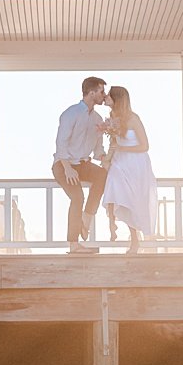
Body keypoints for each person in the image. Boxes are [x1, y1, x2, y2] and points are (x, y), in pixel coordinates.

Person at [52, 76, 109, 254]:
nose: (104, 95)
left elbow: (98, 151)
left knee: (102, 175)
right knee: (77, 197)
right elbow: (61, 143)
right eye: (101, 91)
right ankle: (73, 244)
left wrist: (110, 156)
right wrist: (68, 167)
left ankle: (86, 219)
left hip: (83, 164)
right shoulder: (71, 113)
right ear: (91, 93)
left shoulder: (98, 119)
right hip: (63, 164)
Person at [97, 86, 158, 254]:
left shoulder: (133, 119)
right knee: (113, 187)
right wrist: (107, 159)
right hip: (119, 162)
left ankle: (135, 240)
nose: (106, 97)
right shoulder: (111, 117)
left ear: (117, 99)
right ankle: (112, 221)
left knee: (133, 200)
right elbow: (113, 144)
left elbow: (145, 145)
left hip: (136, 162)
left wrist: (124, 150)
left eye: (109, 95)